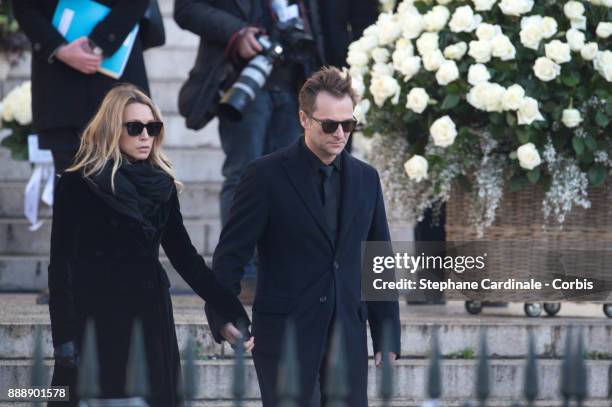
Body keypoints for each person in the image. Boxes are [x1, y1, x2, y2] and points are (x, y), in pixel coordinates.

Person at [205, 67, 401, 407]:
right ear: (303, 118)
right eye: (329, 125)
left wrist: (386, 332)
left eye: (348, 124)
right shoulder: (264, 175)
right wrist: (225, 315)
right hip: (285, 335)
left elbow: (378, 259)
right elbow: (231, 255)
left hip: (348, 335)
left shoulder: (366, 179)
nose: (341, 133)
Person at [47, 84, 253, 407]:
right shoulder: (78, 183)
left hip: (151, 318)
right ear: (113, 129)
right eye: (135, 128)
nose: (146, 135)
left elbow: (185, 257)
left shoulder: (162, 185)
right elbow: (60, 267)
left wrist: (230, 309)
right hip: (98, 320)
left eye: (153, 127)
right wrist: (63, 338)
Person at [13, 0, 151, 178]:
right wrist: (58, 48)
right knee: (70, 190)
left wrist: (99, 42)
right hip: (59, 86)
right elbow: (24, 7)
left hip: (117, 77)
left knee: (127, 187)